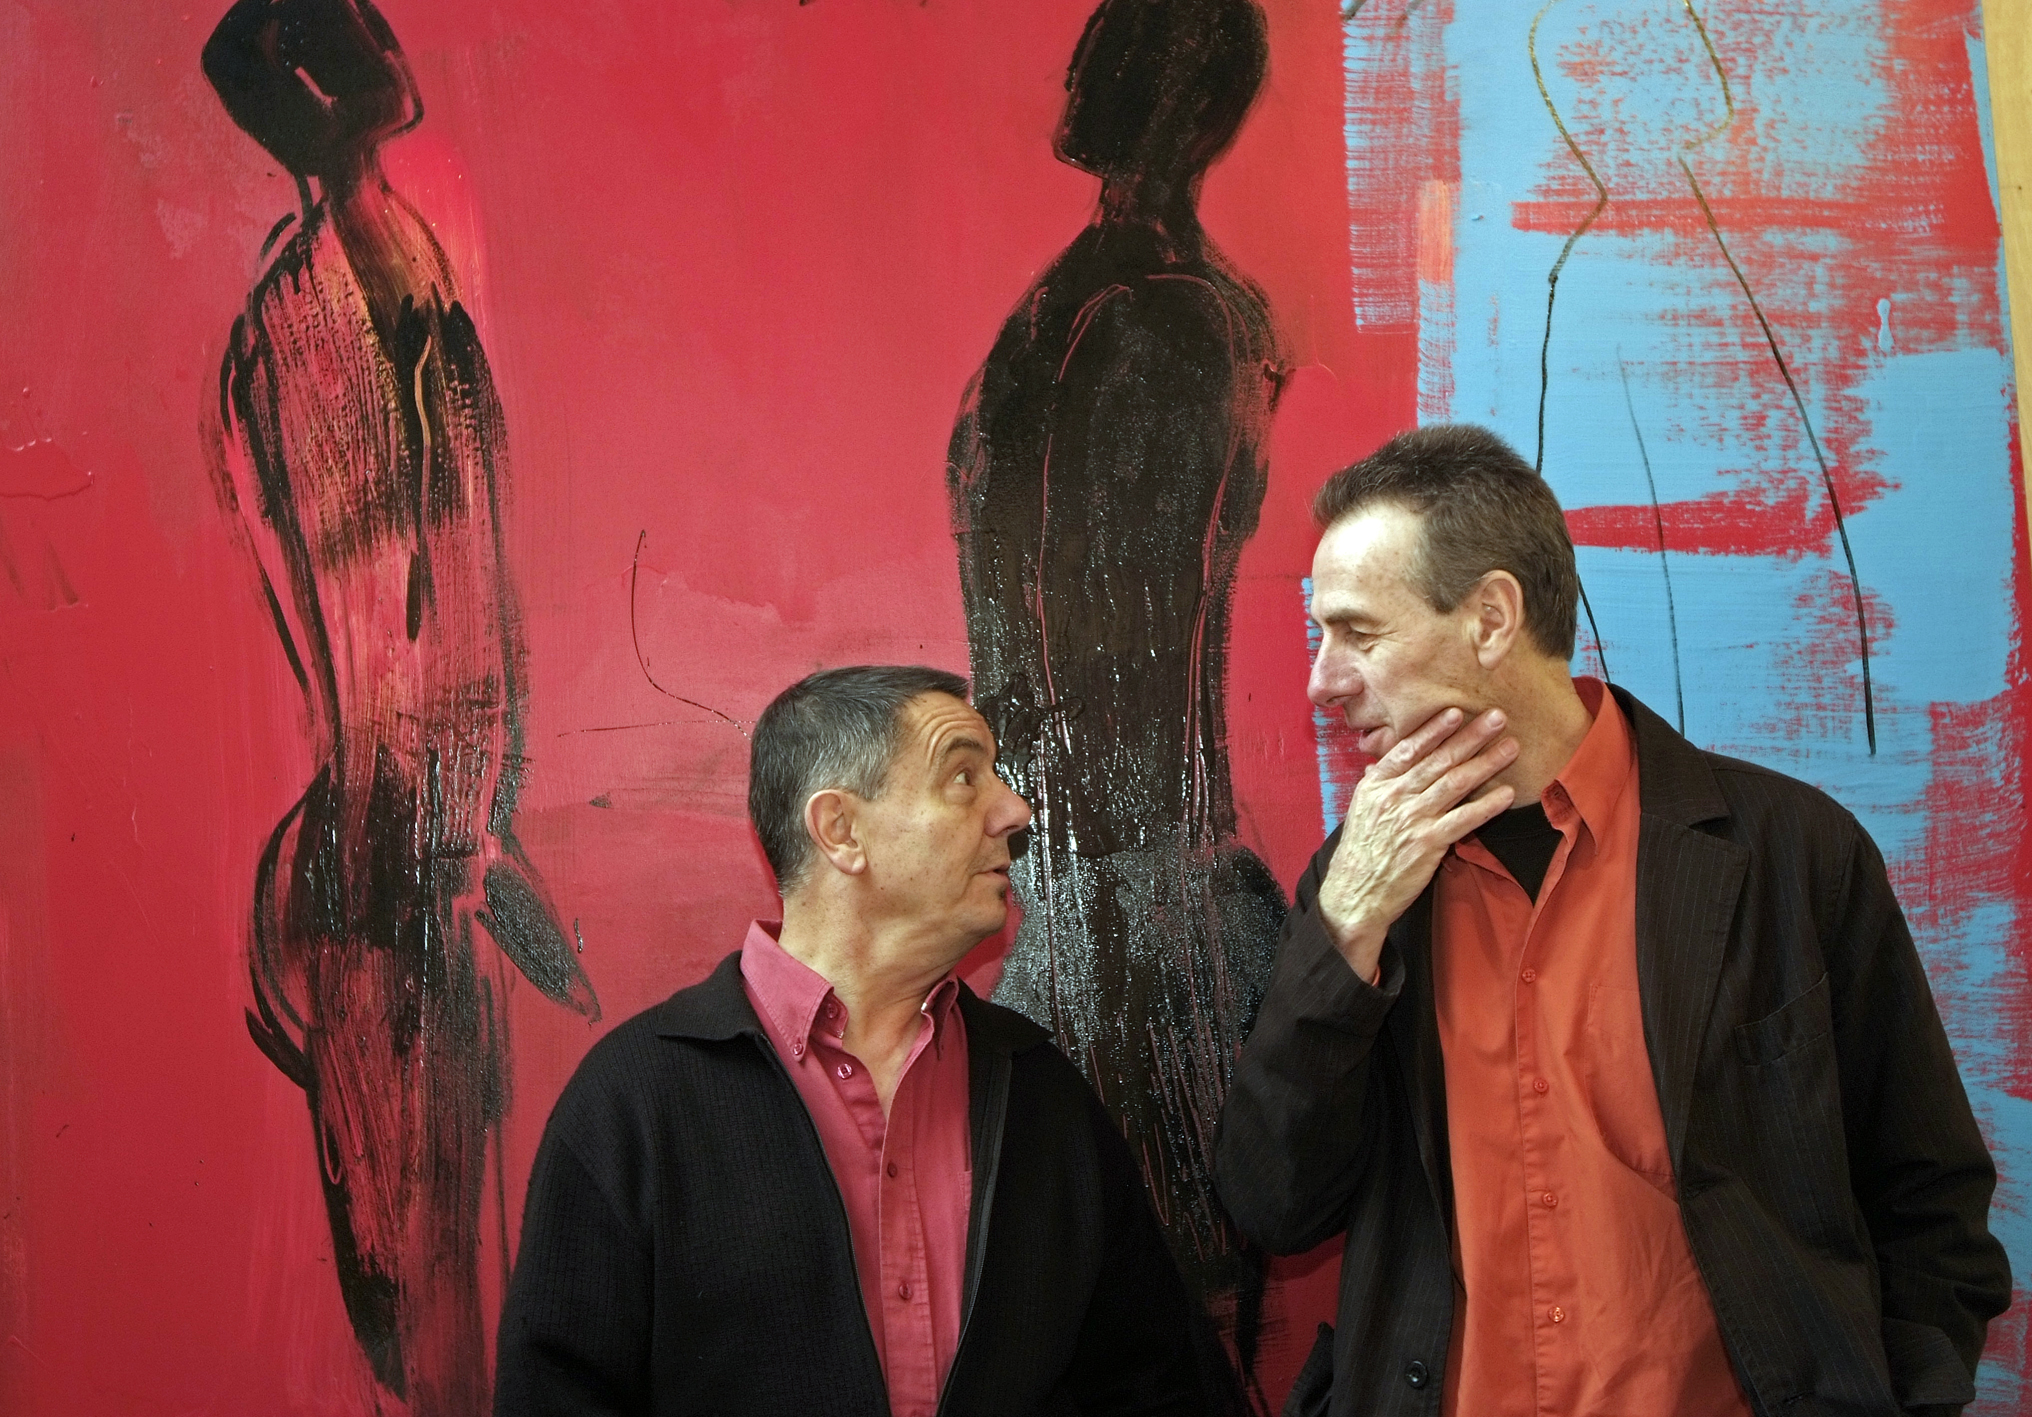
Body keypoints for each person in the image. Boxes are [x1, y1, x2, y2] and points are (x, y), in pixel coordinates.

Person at [1213, 426, 2010, 1416]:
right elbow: (1275, 1203)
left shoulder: (1790, 851)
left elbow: (1929, 1196)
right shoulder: (1355, 883)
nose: (1322, 680)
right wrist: (1345, 931)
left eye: (1359, 634)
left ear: (1491, 618)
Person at [496, 665, 1215, 1416]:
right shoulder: (634, 1104)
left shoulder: (1042, 1091)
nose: (1015, 809)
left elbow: (1155, 1385)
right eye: (963, 777)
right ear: (841, 830)